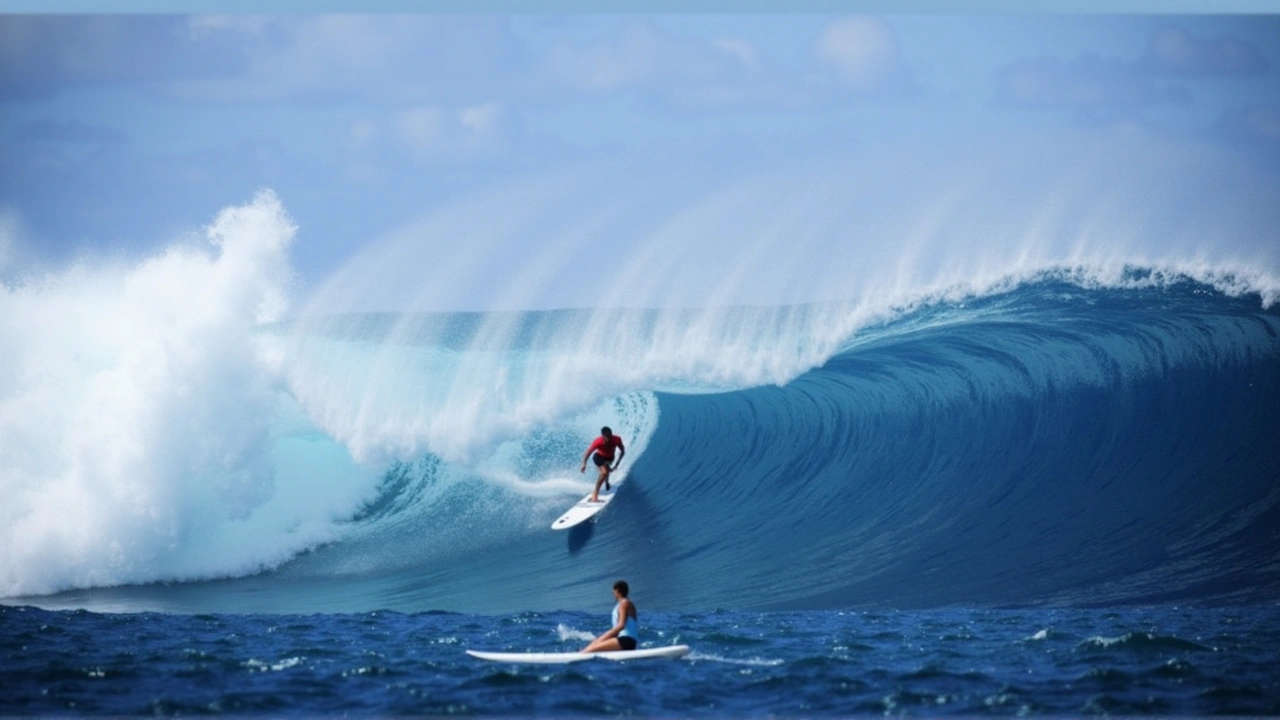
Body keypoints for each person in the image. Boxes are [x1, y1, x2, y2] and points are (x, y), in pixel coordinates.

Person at [582, 580, 638, 653]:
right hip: (626, 641)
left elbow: (621, 625)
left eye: (614, 592)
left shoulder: (624, 603)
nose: (613, 594)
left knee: (589, 650)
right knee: (594, 644)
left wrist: (602, 638)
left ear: (618, 591)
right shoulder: (626, 603)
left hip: (626, 641)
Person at [580, 426, 625, 503]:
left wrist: (616, 465)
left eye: (610, 435)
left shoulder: (617, 439)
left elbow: (622, 452)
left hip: (610, 459)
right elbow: (588, 453)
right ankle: (595, 496)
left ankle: (606, 482)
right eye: (606, 436)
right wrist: (584, 464)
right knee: (604, 473)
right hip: (598, 457)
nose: (608, 438)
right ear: (603, 436)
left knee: (607, 471)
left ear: (612, 434)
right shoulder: (598, 442)